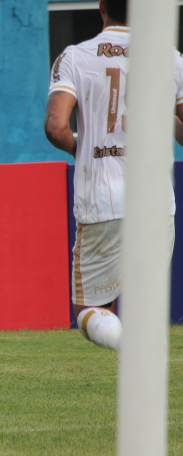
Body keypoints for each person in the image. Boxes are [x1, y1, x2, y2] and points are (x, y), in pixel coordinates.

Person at [44, 0, 183, 351]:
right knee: (143, 305)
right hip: (156, 201)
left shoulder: (75, 56)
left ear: (102, 7)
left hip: (103, 200)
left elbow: (56, 126)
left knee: (91, 310)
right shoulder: (170, 58)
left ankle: (129, 348)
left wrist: (82, 147)